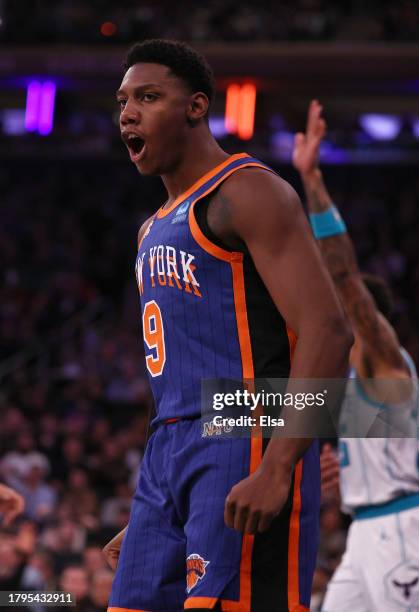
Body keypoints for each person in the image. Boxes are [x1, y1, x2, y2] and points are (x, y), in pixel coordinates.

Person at [106, 39, 352, 612]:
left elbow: (328, 331)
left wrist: (279, 465)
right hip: (169, 452)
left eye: (147, 97)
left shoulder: (247, 191)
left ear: (195, 107)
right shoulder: (148, 231)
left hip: (244, 424)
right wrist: (156, 504)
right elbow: (173, 378)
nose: (128, 113)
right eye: (122, 101)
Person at [293, 99, 419, 611]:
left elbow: (342, 275)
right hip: (367, 533)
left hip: (403, 526)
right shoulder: (346, 387)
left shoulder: (383, 360)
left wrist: (312, 181)